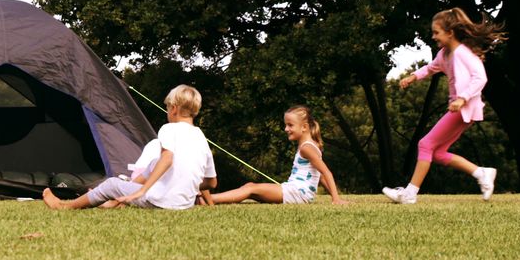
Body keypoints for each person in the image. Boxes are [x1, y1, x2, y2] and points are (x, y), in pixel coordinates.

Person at [383, 7, 507, 204]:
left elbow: (480, 77)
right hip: (458, 108)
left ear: (450, 33)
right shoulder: (444, 54)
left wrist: (462, 98)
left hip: (464, 108)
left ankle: (409, 194)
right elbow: (431, 68)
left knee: (425, 144)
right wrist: (413, 76)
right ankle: (481, 173)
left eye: (436, 32)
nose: (433, 36)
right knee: (438, 153)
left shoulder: (462, 53)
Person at [42, 84, 217, 211]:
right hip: (184, 205)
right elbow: (211, 182)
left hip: (161, 201)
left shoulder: (169, 128)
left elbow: (167, 158)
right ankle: (114, 202)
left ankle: (66, 206)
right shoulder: (200, 137)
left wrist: (142, 190)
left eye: (167, 108)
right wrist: (185, 183)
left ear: (173, 109)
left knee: (111, 184)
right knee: (153, 164)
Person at [205, 106, 346, 205]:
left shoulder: (307, 148)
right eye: (286, 125)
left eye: (290, 125)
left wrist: (336, 199)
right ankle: (209, 198)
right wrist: (334, 196)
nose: (286, 129)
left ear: (304, 127)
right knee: (250, 187)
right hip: (296, 192)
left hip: (297, 193)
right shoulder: (309, 146)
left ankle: (208, 199)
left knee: (251, 188)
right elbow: (319, 176)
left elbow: (326, 173)